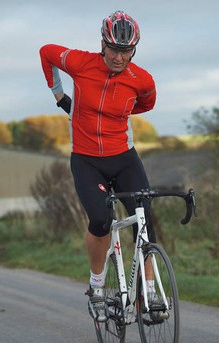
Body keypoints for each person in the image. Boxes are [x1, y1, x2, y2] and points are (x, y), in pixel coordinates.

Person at [40, 10, 157, 322]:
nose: (119, 58)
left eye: (126, 51)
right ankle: (96, 287)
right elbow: (46, 53)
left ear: (134, 49)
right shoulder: (81, 64)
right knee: (101, 221)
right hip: (87, 160)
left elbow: (147, 101)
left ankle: (149, 292)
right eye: (114, 50)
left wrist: (119, 114)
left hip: (124, 157)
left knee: (145, 218)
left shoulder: (141, 79)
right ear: (103, 44)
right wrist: (59, 96)